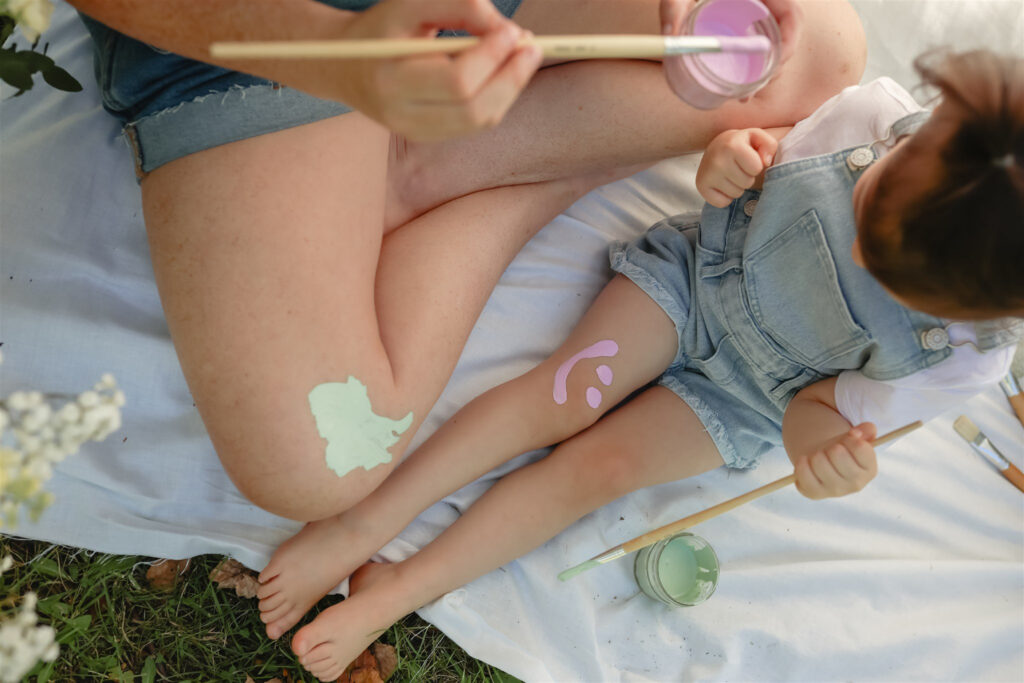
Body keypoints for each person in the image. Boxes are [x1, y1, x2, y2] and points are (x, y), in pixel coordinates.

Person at [252, 49, 1024, 681]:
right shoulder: (872, 118)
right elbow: (762, 153)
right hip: (697, 282)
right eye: (871, 206)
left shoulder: (960, 362)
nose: (858, 250)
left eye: (888, 273)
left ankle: (400, 586)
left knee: (600, 469)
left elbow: (814, 410)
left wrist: (819, 452)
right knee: (556, 397)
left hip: (757, 398)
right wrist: (731, 158)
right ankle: (360, 522)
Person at [67, 0, 864, 523]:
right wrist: (338, 55)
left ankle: (429, 165)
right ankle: (531, 179)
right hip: (260, 38)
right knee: (321, 463)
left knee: (817, 53)